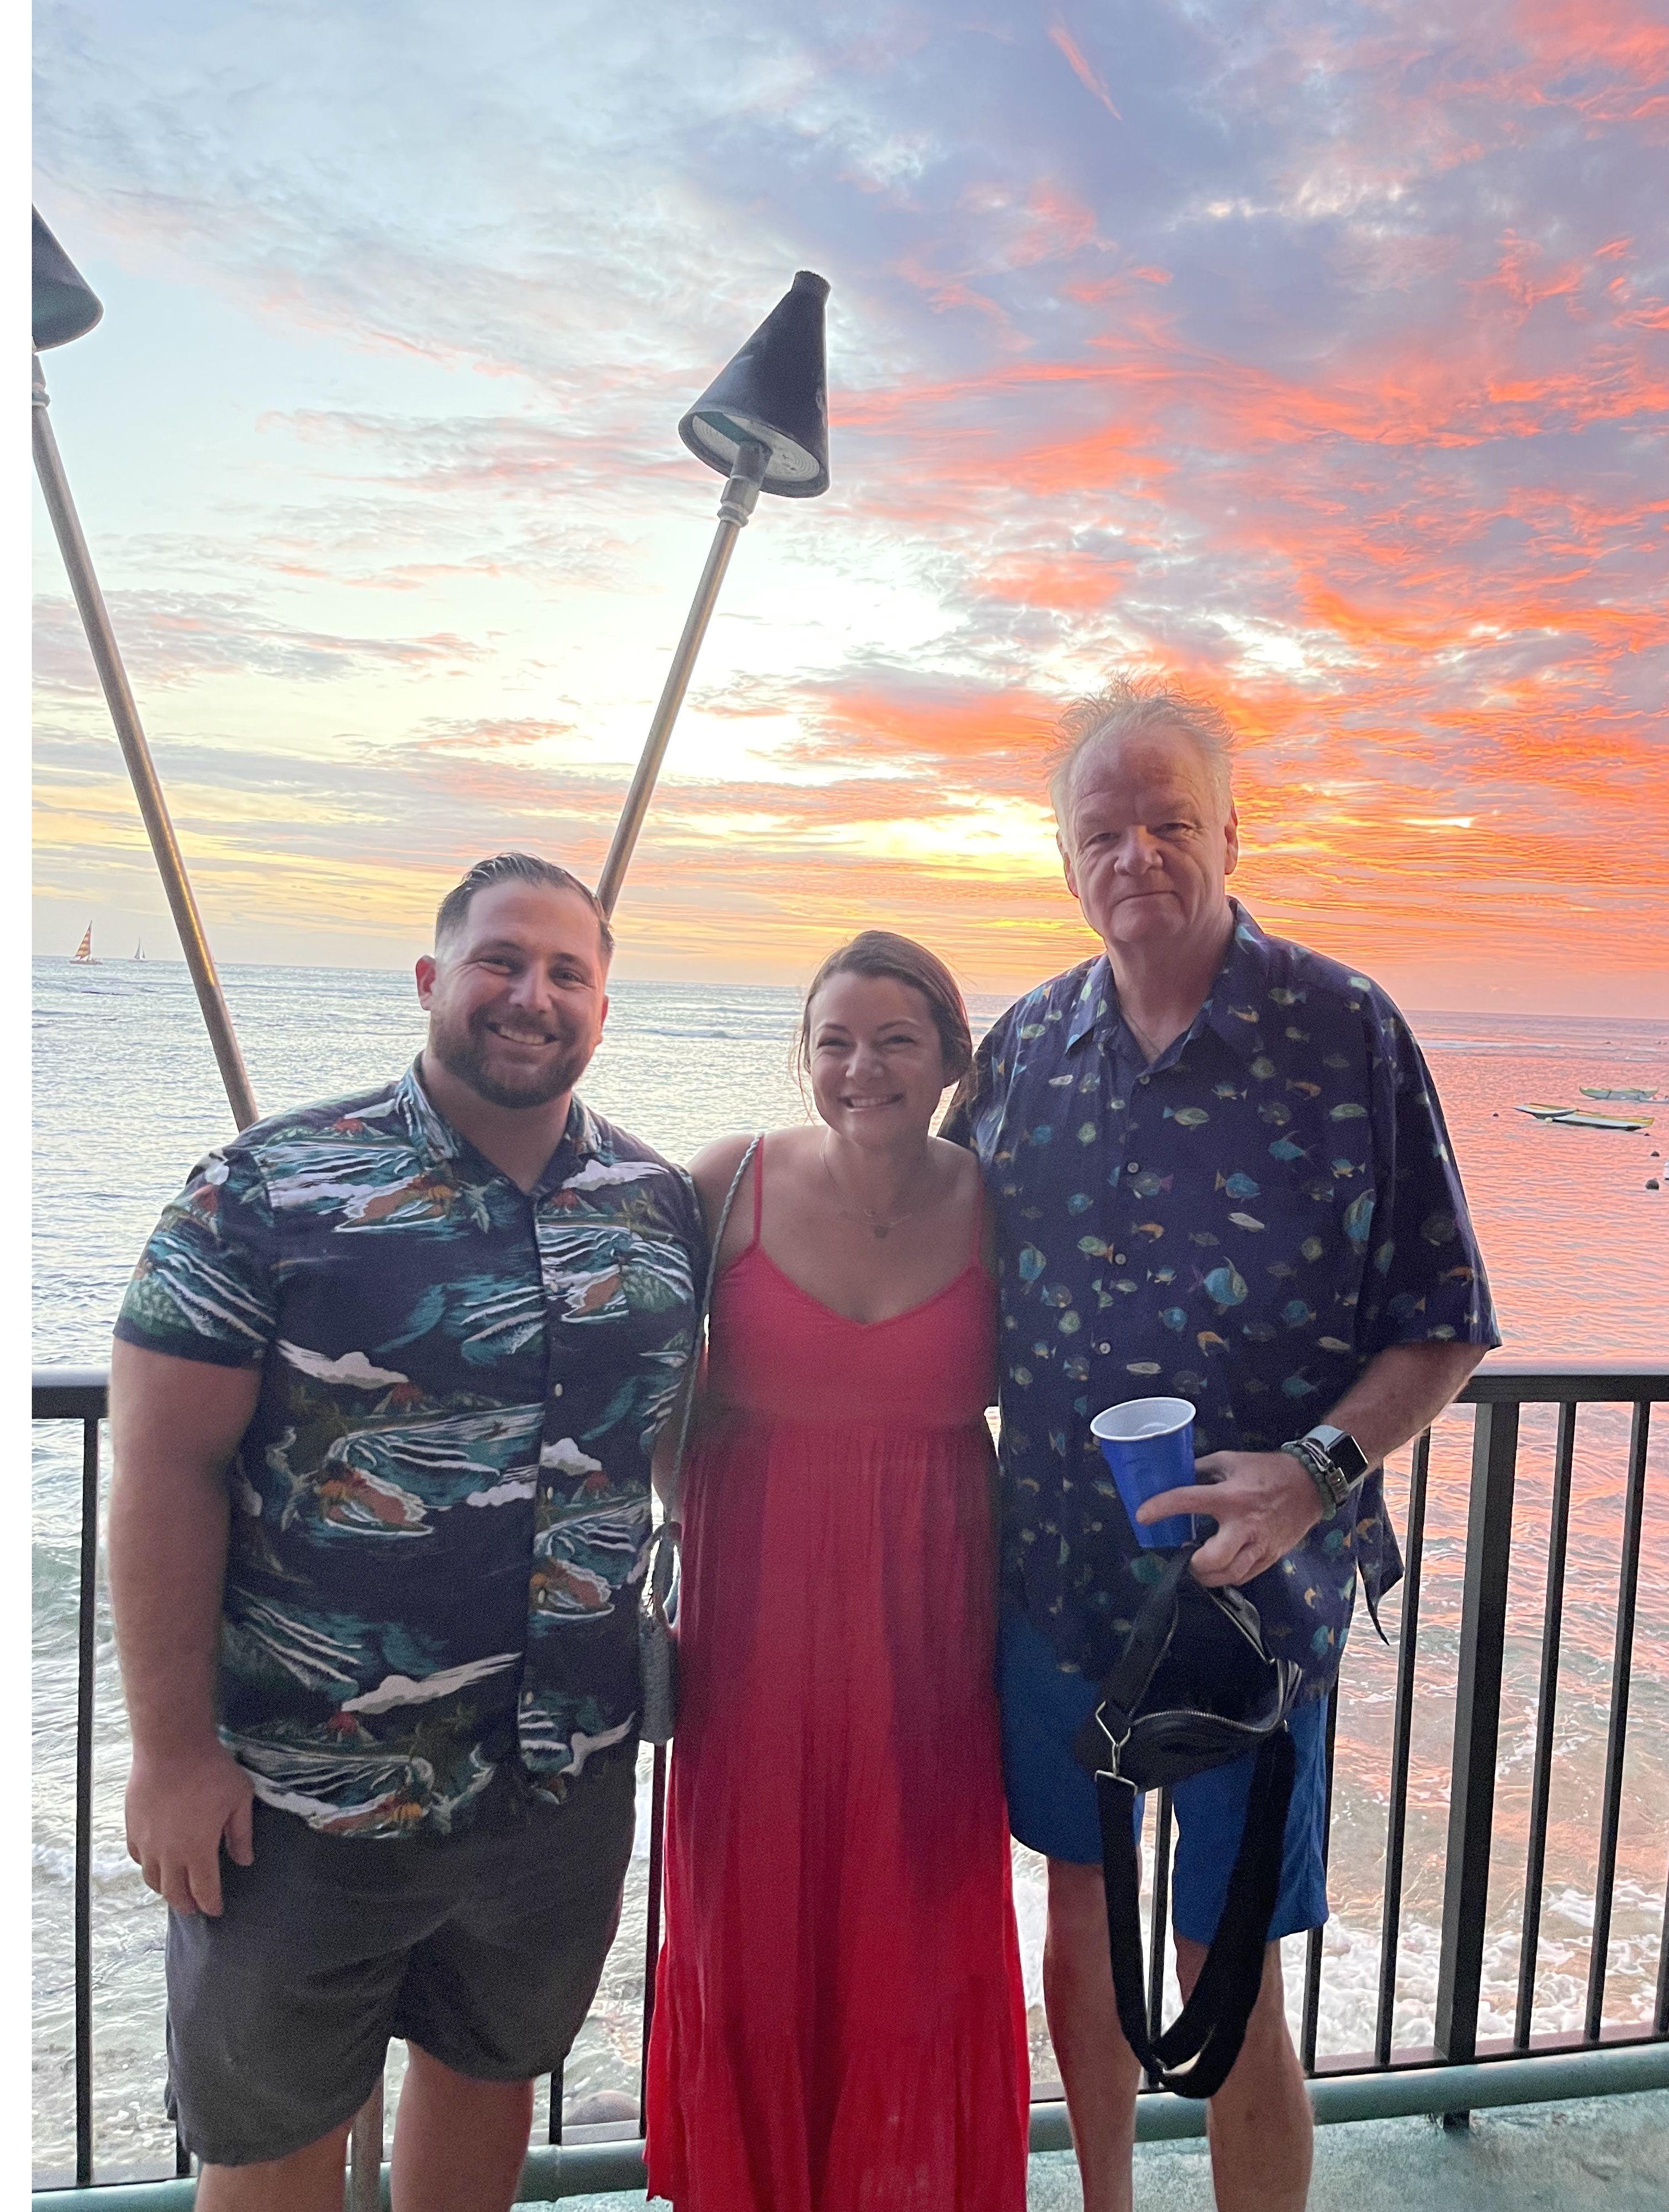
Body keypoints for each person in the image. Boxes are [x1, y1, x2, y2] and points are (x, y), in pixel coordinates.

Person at [942, 678, 1499, 2212]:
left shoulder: (1343, 1030)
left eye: (1171, 821)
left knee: (1225, 1959)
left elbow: (1446, 1317)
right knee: (1078, 1923)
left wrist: (1320, 1471)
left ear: (1233, 835)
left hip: (1263, 1604)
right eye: (1103, 830)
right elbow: (913, 1245)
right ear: (1066, 861)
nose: (1137, 854)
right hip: (1061, 1586)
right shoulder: (1024, 1049)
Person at [106, 853, 705, 2212]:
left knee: (490, 2081)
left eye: (566, 972)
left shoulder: (657, 1204)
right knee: (271, 2134)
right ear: (433, 979)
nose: (531, 994)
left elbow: (689, 1441)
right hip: (303, 1796)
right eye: (500, 960)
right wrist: (172, 1756)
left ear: (603, 1011)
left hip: (559, 1783)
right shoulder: (266, 1189)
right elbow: (163, 1470)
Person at [643, 931, 1030, 2212]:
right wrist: (695, 1515)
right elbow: (631, 1369)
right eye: (835, 1042)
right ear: (804, 1058)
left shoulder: (1000, 1204)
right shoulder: (726, 1183)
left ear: (951, 1058)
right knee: (749, 1910)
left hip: (929, 1610)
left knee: (914, 1909)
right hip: (754, 1611)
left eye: (896, 1040)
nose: (863, 1068)